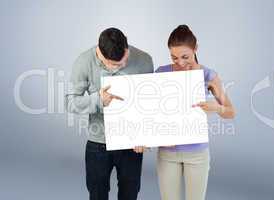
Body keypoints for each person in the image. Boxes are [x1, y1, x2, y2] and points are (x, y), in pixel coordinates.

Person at [65, 27, 153, 200]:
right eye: (113, 64)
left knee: (130, 193)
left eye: (124, 61)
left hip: (131, 144)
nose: (120, 66)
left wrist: (144, 135)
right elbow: (70, 102)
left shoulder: (145, 60)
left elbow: (150, 103)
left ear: (127, 44)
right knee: (97, 194)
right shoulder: (84, 62)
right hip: (98, 143)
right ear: (99, 52)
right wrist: (98, 101)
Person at [155, 25, 235, 200]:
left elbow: (231, 112)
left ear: (195, 49)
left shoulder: (208, 76)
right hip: (167, 153)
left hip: (197, 154)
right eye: (174, 58)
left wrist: (217, 107)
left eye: (185, 57)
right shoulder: (161, 73)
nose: (181, 63)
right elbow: (152, 112)